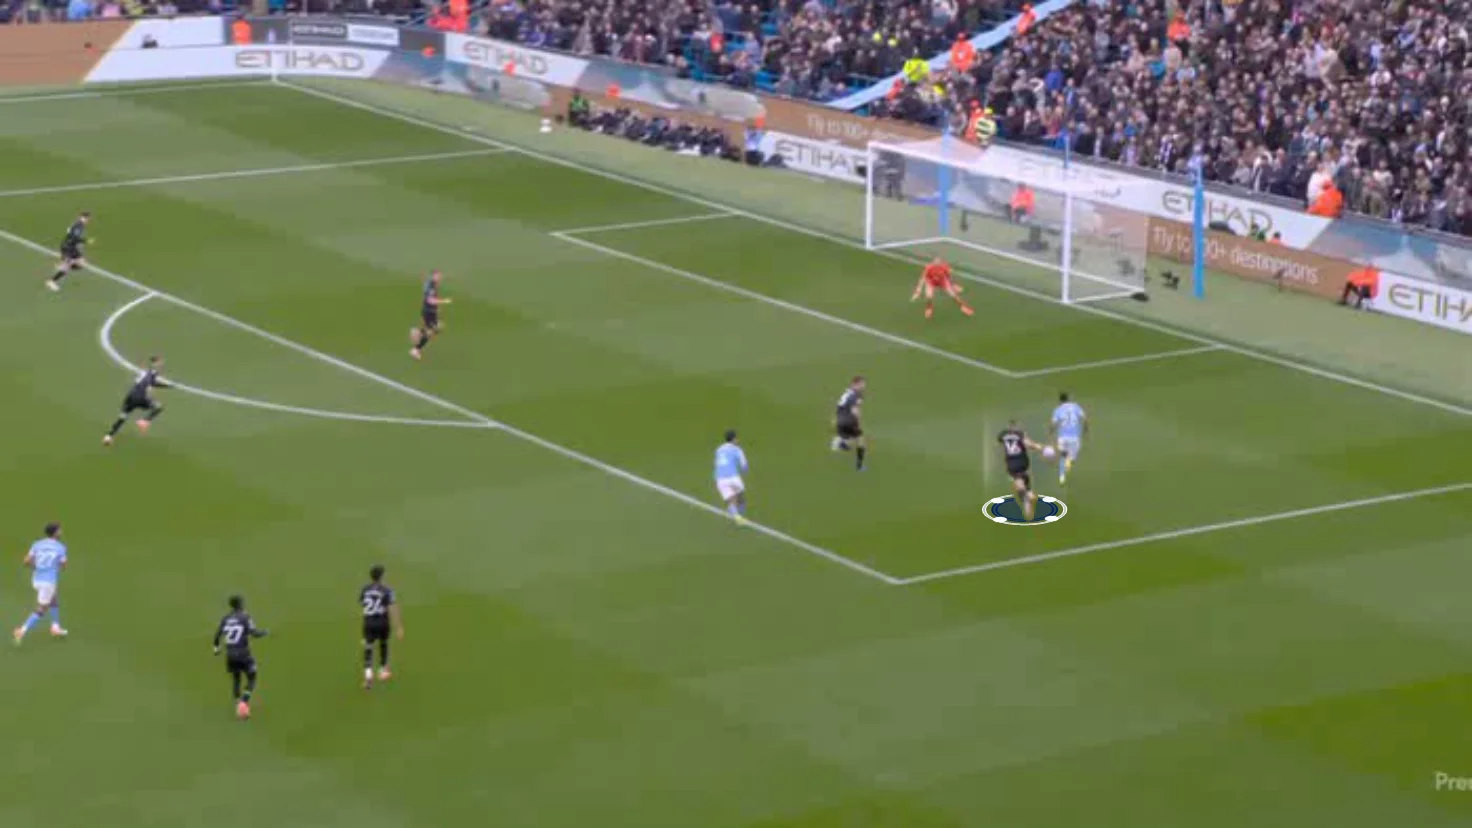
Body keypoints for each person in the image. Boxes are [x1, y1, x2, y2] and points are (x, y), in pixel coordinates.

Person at [213, 594, 268, 720]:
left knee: (236, 679)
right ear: (241, 604)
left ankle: (238, 705)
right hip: (244, 654)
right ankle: (244, 702)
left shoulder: (226, 618)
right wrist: (265, 632)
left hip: (230, 655)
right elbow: (254, 633)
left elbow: (217, 635)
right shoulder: (244, 617)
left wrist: (216, 649)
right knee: (252, 677)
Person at [13, 522, 68, 644]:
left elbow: (26, 561)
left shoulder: (37, 544)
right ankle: (22, 630)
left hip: (37, 579)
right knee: (42, 609)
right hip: (48, 582)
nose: (61, 532)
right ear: (55, 533)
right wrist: (55, 568)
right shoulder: (60, 547)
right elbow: (64, 565)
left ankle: (55, 627)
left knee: (53, 599)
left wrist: (37, 567)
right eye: (59, 530)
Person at [103, 355, 170, 446]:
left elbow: (152, 382)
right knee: (158, 407)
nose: (161, 365)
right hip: (141, 397)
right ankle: (144, 421)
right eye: (160, 363)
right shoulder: (153, 372)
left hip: (130, 397)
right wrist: (167, 385)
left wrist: (166, 386)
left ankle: (109, 436)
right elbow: (152, 380)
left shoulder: (143, 373)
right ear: (155, 363)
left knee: (122, 417)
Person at [360, 564, 403, 690]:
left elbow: (363, 604)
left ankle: (368, 677)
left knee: (368, 648)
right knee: (383, 644)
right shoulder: (387, 590)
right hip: (383, 622)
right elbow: (393, 608)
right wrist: (398, 627)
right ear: (382, 576)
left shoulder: (365, 589)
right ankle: (383, 671)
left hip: (368, 623)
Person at [997, 420, 1044, 520]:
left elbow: (1001, 443)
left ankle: (1026, 496)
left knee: (1019, 480)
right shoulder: (1020, 434)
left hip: (1011, 463)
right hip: (1022, 462)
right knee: (1022, 477)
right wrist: (1040, 447)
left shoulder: (1003, 435)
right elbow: (1029, 444)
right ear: (1016, 426)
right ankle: (1028, 494)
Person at [410, 270, 452, 360]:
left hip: (430, 311)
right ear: (433, 276)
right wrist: (444, 301)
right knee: (431, 331)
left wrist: (436, 308)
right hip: (428, 312)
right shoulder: (431, 286)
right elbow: (430, 300)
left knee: (438, 328)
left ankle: (418, 332)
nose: (440, 278)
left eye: (440, 276)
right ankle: (416, 350)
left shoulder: (430, 283)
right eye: (438, 276)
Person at [1048, 392, 1088, 484]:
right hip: (1074, 438)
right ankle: (1066, 468)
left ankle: (1062, 475)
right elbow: (1085, 419)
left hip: (1062, 437)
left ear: (1060, 400)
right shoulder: (1076, 407)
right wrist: (1086, 431)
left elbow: (1053, 424)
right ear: (1068, 398)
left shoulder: (1058, 410)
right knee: (1071, 459)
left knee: (1063, 455)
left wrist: (1050, 434)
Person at [45, 211, 90, 292]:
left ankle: (63, 264)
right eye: (87, 218)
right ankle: (51, 281)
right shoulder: (79, 226)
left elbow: (70, 234)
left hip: (72, 247)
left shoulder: (77, 224)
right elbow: (74, 238)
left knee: (82, 264)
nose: (88, 220)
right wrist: (85, 241)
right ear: (82, 217)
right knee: (67, 267)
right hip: (68, 248)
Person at [830, 375, 868, 470]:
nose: (863, 386)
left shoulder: (846, 393)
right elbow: (855, 410)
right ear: (855, 384)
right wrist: (858, 422)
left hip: (841, 420)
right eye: (861, 384)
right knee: (861, 442)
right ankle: (859, 466)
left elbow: (839, 406)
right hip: (849, 420)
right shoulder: (857, 395)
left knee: (850, 438)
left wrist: (836, 419)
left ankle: (842, 441)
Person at [713, 429, 748, 522]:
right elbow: (744, 466)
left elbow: (717, 464)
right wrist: (744, 471)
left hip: (720, 479)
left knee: (731, 499)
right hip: (733, 477)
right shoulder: (737, 450)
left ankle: (735, 515)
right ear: (734, 439)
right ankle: (739, 514)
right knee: (740, 498)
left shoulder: (719, 449)